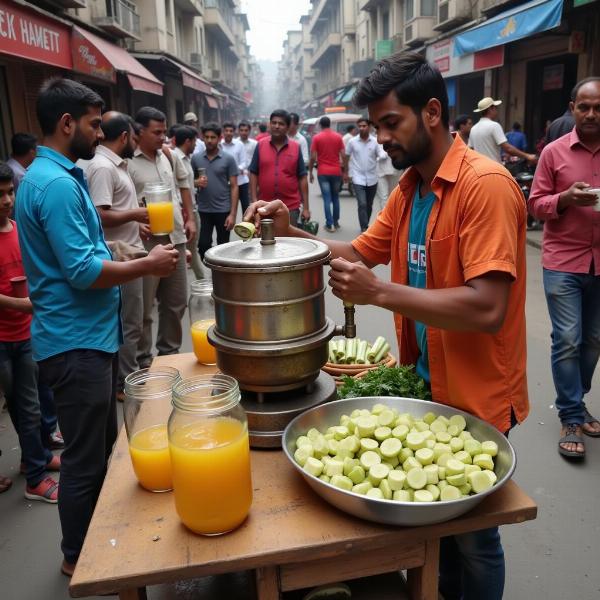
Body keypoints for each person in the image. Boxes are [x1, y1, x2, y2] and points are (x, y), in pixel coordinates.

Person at [246, 51, 528, 600]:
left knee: (474, 536)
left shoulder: (484, 187)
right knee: (439, 532)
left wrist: (380, 294)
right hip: (428, 383)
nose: (380, 140)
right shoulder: (410, 190)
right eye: (375, 127)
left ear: (430, 112)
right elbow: (356, 249)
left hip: (477, 393)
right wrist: (290, 231)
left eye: (390, 124)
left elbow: (487, 307)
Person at [15, 78, 178, 576]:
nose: (99, 131)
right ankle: (78, 559)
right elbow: (83, 272)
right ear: (67, 124)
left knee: (99, 448)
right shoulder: (60, 184)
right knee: (86, 461)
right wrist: (147, 266)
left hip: (84, 339)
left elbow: (84, 251)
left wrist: (126, 252)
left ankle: (92, 546)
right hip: (76, 343)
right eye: (92, 123)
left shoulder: (49, 177)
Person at [528, 76, 600, 458]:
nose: (591, 113)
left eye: (598, 107)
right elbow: (535, 204)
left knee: (593, 341)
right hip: (563, 261)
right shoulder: (554, 153)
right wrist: (565, 199)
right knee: (568, 338)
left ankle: (577, 399)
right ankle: (571, 414)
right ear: (572, 109)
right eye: (584, 106)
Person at [0, 161, 60, 502]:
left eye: (10, 192)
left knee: (35, 401)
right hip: (4, 337)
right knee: (25, 406)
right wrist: (19, 305)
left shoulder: (19, 229)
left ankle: (32, 460)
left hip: (28, 333)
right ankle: (36, 479)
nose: (7, 201)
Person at [81, 111, 149, 401]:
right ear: (124, 137)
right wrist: (137, 213)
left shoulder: (114, 165)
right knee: (129, 323)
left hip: (128, 251)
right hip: (117, 258)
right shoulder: (103, 167)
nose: (135, 142)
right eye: (134, 137)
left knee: (134, 320)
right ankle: (126, 383)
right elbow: (100, 214)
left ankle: (129, 376)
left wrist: (137, 224)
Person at [128, 106, 196, 369]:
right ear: (139, 131)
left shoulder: (167, 154)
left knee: (176, 301)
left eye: (164, 131)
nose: (162, 137)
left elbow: (183, 187)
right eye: (156, 132)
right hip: (147, 244)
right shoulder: (128, 161)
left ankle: (169, 355)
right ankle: (144, 361)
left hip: (175, 238)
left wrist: (189, 217)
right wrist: (134, 223)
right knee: (145, 309)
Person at [249, 109, 310, 228]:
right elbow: (253, 173)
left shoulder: (296, 148)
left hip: (290, 207)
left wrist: (306, 208)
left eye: (281, 124)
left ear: (287, 127)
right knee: (265, 242)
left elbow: (302, 178)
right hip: (264, 207)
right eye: (274, 123)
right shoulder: (260, 145)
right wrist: (254, 201)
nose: (277, 126)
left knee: (289, 244)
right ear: (269, 124)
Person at [191, 122, 239, 258]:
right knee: (203, 245)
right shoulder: (196, 158)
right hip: (204, 209)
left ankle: (219, 278)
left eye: (213, 137)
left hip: (223, 209)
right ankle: (214, 271)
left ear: (219, 138)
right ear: (202, 138)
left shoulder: (228, 159)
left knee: (223, 247)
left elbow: (235, 186)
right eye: (206, 137)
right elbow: (189, 182)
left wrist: (233, 214)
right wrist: (196, 182)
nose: (209, 140)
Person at [173, 125, 204, 280]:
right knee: (191, 249)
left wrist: (197, 183)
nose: (196, 145)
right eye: (194, 142)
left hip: (190, 209)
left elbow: (185, 185)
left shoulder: (185, 158)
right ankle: (204, 282)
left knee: (191, 249)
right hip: (185, 212)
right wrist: (187, 215)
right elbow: (176, 189)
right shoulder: (175, 158)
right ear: (188, 141)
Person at [469, 97, 537, 164]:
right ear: (490, 109)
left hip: (478, 169)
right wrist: (527, 156)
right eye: (495, 108)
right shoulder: (494, 125)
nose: (497, 111)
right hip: (493, 169)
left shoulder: (473, 129)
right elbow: (508, 148)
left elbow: (470, 150)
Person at [344, 118, 382, 232]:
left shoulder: (375, 141)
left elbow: (380, 154)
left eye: (364, 126)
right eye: (359, 126)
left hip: (372, 177)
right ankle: (364, 228)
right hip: (357, 177)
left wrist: (382, 156)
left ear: (369, 127)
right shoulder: (352, 142)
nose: (361, 128)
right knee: (362, 203)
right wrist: (346, 172)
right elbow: (346, 156)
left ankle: (366, 224)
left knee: (369, 204)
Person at [309, 116, 346, 232]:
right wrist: (345, 171)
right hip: (336, 171)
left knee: (327, 198)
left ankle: (329, 224)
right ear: (330, 124)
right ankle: (336, 221)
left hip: (323, 172)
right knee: (335, 197)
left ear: (320, 125)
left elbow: (313, 157)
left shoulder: (317, 138)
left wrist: (310, 172)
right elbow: (343, 155)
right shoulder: (338, 137)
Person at [220, 122, 248, 216]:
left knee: (246, 208)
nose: (228, 133)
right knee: (227, 208)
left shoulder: (239, 144)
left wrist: (233, 170)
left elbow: (244, 162)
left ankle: (247, 227)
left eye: (231, 131)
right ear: (223, 132)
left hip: (241, 182)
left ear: (234, 132)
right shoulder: (219, 146)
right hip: (225, 183)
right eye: (226, 131)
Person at [238, 120, 257, 213]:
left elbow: (256, 160)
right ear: (238, 131)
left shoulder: (254, 144)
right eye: (241, 130)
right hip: (236, 177)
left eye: (246, 130)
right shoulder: (235, 143)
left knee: (247, 205)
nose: (243, 132)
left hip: (250, 176)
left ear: (249, 131)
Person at [375, 143, 401, 210]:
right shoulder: (376, 141)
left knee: (393, 195)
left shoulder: (395, 140)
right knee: (383, 197)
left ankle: (393, 215)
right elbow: (379, 155)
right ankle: (385, 217)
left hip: (393, 171)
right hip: (380, 172)